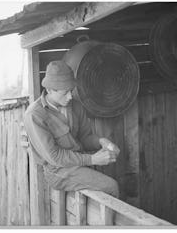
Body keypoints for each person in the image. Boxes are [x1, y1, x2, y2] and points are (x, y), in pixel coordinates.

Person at [24, 60, 120, 198]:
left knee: (116, 171)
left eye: (71, 91)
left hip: (78, 161)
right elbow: (55, 157)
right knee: (111, 186)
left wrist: (101, 141)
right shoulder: (35, 115)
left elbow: (84, 137)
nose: (70, 96)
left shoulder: (75, 105)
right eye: (65, 93)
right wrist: (92, 160)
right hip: (58, 170)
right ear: (50, 90)